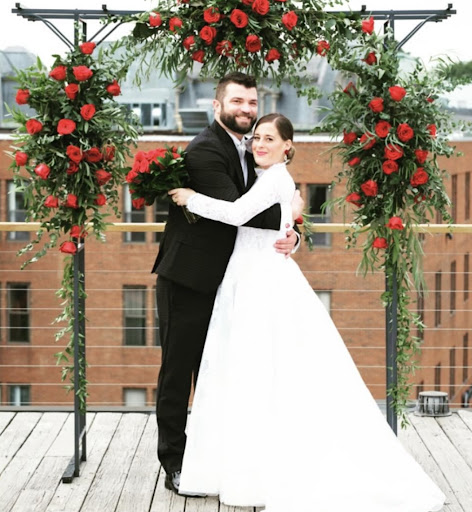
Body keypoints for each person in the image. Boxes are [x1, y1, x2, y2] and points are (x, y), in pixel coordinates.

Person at [169, 113, 446, 512]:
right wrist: (293, 229)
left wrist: (189, 198)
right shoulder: (265, 177)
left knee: (261, 369)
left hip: (261, 282)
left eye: (269, 138)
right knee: (247, 371)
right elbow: (268, 220)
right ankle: (245, 466)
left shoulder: (276, 178)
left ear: (288, 145)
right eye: (256, 137)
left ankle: (261, 472)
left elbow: (237, 214)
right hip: (245, 277)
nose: (259, 144)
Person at [151, 73, 303, 494]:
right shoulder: (205, 149)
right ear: (216, 105)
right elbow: (240, 210)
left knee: (220, 371)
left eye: (252, 102)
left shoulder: (253, 150)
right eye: (237, 101)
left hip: (231, 281)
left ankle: (215, 460)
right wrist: (288, 211)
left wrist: (293, 231)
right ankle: (175, 462)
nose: (246, 109)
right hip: (188, 278)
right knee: (178, 373)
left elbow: (262, 203)